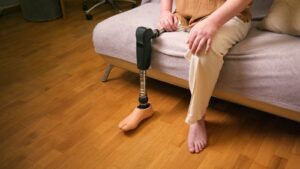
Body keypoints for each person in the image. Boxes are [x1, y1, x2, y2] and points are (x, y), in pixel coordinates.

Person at [119, 0, 252, 154]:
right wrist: (165, 11)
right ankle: (143, 105)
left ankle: (196, 118)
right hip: (184, 16)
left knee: (203, 49)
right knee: (144, 35)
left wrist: (213, 23)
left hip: (228, 16)